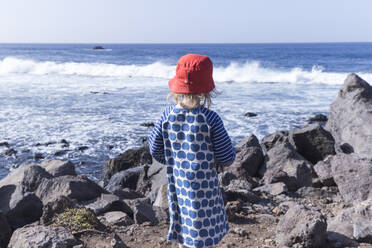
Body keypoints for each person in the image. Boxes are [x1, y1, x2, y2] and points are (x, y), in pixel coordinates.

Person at [149, 54, 236, 248]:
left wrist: (174, 161)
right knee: (205, 232)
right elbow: (225, 156)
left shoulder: (167, 115)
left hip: (179, 185)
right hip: (206, 190)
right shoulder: (210, 119)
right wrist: (230, 157)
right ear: (206, 89)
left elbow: (154, 148)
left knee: (185, 228)